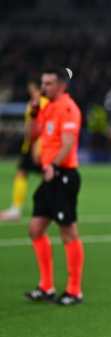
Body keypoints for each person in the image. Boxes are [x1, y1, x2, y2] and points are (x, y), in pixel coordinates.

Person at [24, 67, 85, 306]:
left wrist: (54, 165)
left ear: (61, 86)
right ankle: (46, 286)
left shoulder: (68, 108)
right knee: (35, 229)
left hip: (63, 175)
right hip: (50, 176)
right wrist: (33, 112)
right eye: (42, 83)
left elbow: (68, 143)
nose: (43, 88)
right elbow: (32, 137)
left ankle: (74, 291)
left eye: (48, 83)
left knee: (68, 233)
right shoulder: (46, 107)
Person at [0, 81, 48, 222]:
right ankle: (17, 209)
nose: (29, 89)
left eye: (31, 87)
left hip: (38, 146)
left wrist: (35, 147)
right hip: (31, 145)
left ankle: (18, 209)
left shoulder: (41, 103)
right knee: (25, 173)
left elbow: (40, 127)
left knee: (43, 176)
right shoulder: (34, 102)